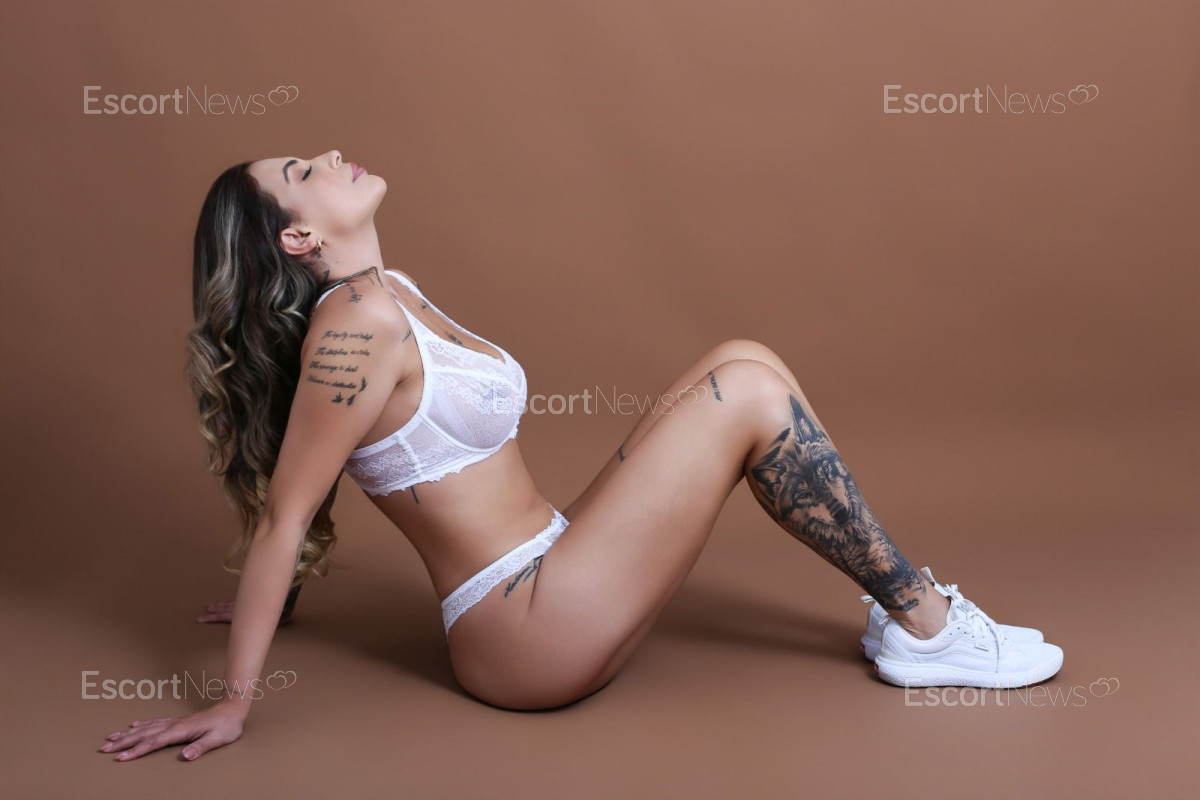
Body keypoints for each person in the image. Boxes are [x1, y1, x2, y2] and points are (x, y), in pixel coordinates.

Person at [100, 150, 1063, 763]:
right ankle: (926, 627)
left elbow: (311, 463)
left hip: (553, 569)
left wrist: (284, 596)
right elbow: (288, 509)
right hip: (524, 635)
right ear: (300, 234)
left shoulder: (388, 292)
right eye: (303, 170)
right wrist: (233, 702)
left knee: (744, 358)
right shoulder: (355, 325)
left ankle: (911, 621)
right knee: (752, 395)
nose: (329, 157)